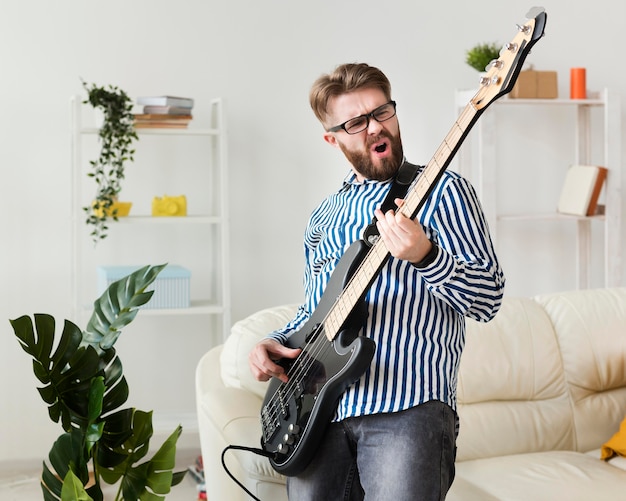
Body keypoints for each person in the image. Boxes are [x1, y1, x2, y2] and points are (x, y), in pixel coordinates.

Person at [248, 62, 505, 500]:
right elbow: (315, 313)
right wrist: (273, 342)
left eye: (381, 112)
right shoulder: (325, 216)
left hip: (410, 409)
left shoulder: (445, 190)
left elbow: (489, 298)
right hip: (319, 414)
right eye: (355, 122)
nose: (374, 127)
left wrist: (426, 256)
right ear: (333, 138)